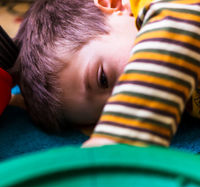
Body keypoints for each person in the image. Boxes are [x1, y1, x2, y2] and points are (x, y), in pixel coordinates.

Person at [11, 0, 200, 149]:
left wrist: (117, 134)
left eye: (103, 79)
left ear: (114, 5)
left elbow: (179, 25)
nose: (124, 100)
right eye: (106, 113)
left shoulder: (165, 7)